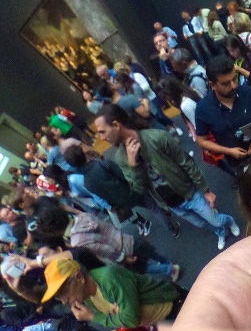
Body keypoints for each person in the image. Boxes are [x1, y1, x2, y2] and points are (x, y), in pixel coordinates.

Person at [92, 103, 239, 250]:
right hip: (172, 203)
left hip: (189, 193)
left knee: (215, 220)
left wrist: (206, 190)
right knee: (201, 223)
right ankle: (220, 231)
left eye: (102, 132)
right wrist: (134, 166)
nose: (101, 138)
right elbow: (139, 190)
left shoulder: (156, 137)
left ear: (116, 125)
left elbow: (187, 163)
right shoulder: (121, 158)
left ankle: (229, 222)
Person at [42, 252, 183, 331]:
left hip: (175, 307)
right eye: (58, 297)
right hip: (162, 322)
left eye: (64, 292)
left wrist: (93, 317)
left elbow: (131, 319)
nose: (64, 301)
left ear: (79, 277)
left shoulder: (109, 278)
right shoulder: (87, 299)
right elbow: (120, 319)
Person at [192, 55, 251, 177]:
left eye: (234, 79)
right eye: (225, 83)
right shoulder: (203, 108)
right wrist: (229, 151)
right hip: (236, 163)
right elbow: (202, 141)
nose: (233, 86)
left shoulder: (248, 92)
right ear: (212, 85)